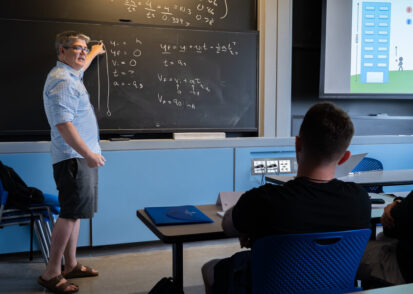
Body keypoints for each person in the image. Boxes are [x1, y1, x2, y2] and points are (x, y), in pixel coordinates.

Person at [202, 102, 372, 294]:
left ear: (298, 143)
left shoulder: (264, 200)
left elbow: (228, 226)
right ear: (344, 157)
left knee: (210, 268)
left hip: (269, 285)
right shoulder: (360, 200)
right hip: (332, 288)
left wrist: (252, 227)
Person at [38, 31, 106, 293]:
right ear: (61, 52)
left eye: (83, 48)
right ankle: (51, 273)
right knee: (69, 214)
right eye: (76, 48)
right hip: (74, 158)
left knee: (74, 213)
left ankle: (71, 264)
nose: (81, 52)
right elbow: (64, 124)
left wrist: (94, 52)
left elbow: (81, 63)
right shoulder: (62, 82)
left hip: (78, 157)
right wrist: (88, 154)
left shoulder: (70, 74)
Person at [357, 192, 413, 287]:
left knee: (347, 256)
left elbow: (391, 226)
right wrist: (399, 202)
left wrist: (397, 205)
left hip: (404, 270)